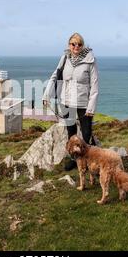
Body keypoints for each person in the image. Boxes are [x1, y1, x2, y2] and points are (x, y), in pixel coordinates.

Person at [42, 33, 99, 171]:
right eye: (73, 44)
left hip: (83, 103)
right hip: (66, 101)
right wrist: (46, 95)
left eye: (79, 44)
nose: (76, 47)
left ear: (82, 45)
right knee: (71, 133)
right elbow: (54, 76)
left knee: (86, 134)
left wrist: (91, 107)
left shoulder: (90, 60)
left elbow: (95, 84)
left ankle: (88, 160)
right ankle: (75, 160)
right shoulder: (65, 58)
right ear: (69, 45)